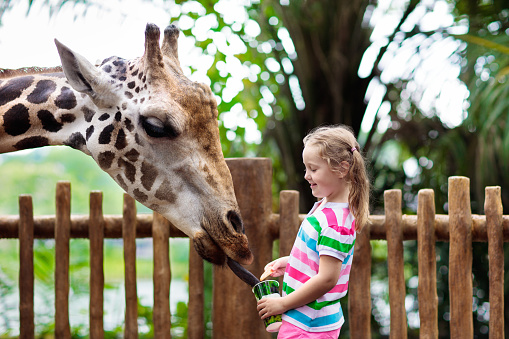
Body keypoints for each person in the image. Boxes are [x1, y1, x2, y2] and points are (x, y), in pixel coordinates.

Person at [257, 125, 370, 338]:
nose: (307, 176)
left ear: (342, 169)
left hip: (309, 327)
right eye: (306, 168)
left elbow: (327, 279)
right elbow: (319, 257)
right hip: (305, 320)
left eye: (314, 169)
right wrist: (289, 261)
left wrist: (282, 303)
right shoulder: (324, 205)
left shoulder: (336, 224)